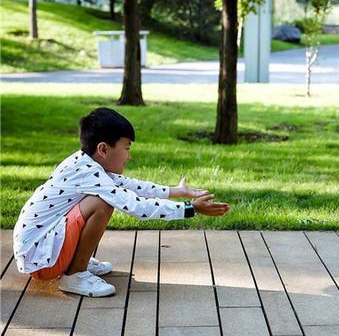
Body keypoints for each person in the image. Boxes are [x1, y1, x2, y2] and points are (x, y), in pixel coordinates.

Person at [13, 107, 230, 297]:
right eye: (126, 148)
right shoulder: (88, 174)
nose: (129, 156)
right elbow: (135, 206)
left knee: (101, 200)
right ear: (103, 149)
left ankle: (78, 261)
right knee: (102, 203)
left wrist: (176, 191)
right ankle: (75, 274)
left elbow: (129, 185)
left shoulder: (84, 163)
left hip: (40, 251)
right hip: (41, 258)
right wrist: (191, 209)